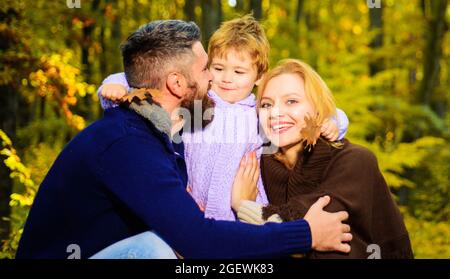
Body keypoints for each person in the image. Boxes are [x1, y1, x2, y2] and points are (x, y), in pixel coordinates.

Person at [16, 20, 352, 259]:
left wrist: (331, 122)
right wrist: (307, 234)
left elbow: (145, 81)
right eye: (208, 69)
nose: (216, 80)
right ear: (177, 84)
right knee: (158, 251)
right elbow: (198, 240)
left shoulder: (163, 129)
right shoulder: (126, 144)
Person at [97, 15, 349, 221]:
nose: (227, 78)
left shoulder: (258, 114)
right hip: (190, 205)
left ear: (259, 76)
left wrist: (332, 123)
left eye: (239, 71)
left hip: (239, 212)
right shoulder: (197, 102)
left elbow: (324, 112)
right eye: (218, 69)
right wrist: (114, 85)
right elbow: (146, 78)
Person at [234, 59, 414, 259]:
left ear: (318, 109)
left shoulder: (355, 161)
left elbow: (303, 226)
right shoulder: (257, 167)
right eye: (267, 104)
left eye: (291, 101)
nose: (275, 113)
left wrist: (243, 205)